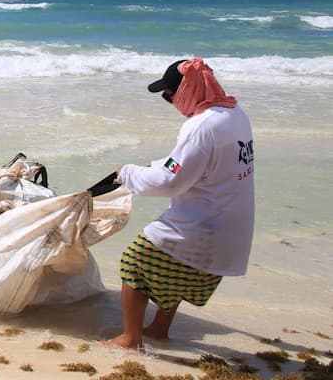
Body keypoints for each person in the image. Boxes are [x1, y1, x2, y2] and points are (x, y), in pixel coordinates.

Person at [107, 58, 254, 350]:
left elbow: (169, 182)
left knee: (135, 261)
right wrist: (160, 164)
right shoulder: (234, 114)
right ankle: (159, 329)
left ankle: (130, 339)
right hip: (231, 228)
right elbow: (198, 163)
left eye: (169, 95)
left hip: (203, 228)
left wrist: (128, 173)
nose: (170, 101)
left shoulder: (201, 126)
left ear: (187, 90)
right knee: (171, 271)